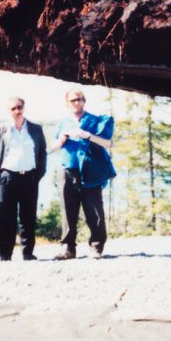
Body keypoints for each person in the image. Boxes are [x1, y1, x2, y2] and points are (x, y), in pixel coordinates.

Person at [50, 87, 115, 260]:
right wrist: (62, 139)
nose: (76, 102)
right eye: (73, 100)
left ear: (84, 101)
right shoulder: (63, 122)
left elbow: (107, 143)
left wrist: (87, 135)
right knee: (68, 211)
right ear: (67, 103)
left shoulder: (94, 120)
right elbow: (53, 147)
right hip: (67, 170)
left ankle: (96, 246)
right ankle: (68, 248)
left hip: (90, 170)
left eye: (79, 99)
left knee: (94, 210)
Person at [0, 96, 48, 261]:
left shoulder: (35, 129)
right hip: (8, 178)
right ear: (8, 111)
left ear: (24, 107)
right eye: (13, 108)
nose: (17, 111)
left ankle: (28, 253)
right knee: (6, 218)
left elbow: (42, 152)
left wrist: (39, 173)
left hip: (30, 178)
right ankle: (5, 255)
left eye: (19, 107)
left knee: (28, 217)